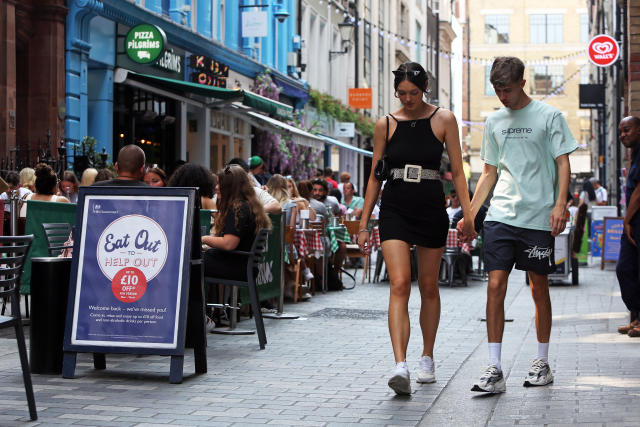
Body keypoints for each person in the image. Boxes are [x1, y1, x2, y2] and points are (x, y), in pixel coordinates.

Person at [457, 57, 577, 393]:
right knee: (495, 285)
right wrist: (471, 213)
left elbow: (563, 162)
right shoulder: (494, 120)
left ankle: (542, 360)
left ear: (523, 83)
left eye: (507, 89)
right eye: (497, 90)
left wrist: (559, 204)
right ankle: (494, 368)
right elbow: (490, 171)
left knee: (539, 287)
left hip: (538, 216)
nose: (502, 96)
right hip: (501, 216)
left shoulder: (549, 116)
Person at [357, 61, 475, 395]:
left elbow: (459, 171)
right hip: (394, 206)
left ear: (424, 87)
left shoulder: (444, 119)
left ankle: (427, 356)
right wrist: (364, 224)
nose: (407, 99)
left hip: (429, 205)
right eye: (401, 93)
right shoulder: (386, 123)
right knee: (398, 284)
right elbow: (374, 176)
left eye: (413, 92)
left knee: (428, 286)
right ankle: (400, 365)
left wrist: (468, 216)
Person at [202, 165, 271, 280]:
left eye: (220, 184)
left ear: (231, 187)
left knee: (190, 263)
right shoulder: (248, 205)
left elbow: (229, 244)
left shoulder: (238, 209)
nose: (216, 187)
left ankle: (193, 299)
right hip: (242, 264)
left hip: (236, 266)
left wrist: (203, 239)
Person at [616, 116, 640, 337]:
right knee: (625, 269)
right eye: (621, 131)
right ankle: (635, 317)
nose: (623, 135)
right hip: (633, 220)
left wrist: (626, 219)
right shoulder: (634, 154)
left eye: (627, 130)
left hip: (635, 219)